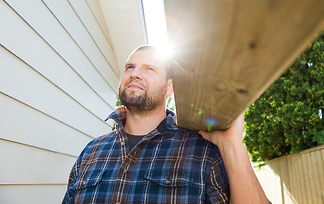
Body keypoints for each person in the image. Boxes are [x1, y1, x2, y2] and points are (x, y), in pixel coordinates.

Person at [62, 45, 269, 203]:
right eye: (130, 67)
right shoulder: (90, 153)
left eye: (149, 69)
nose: (135, 73)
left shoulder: (202, 151)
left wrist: (232, 145)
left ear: (169, 88)